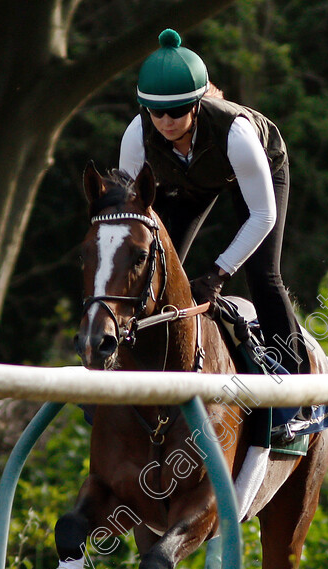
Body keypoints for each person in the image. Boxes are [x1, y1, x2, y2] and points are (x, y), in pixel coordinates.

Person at [119, 28, 310, 378]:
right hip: (192, 179)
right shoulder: (137, 134)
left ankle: (295, 390)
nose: (165, 123)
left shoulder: (236, 134)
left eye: (175, 111)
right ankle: (129, 364)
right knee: (149, 266)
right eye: (155, 113)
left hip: (259, 168)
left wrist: (219, 273)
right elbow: (130, 215)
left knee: (262, 273)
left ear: (196, 104)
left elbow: (263, 215)